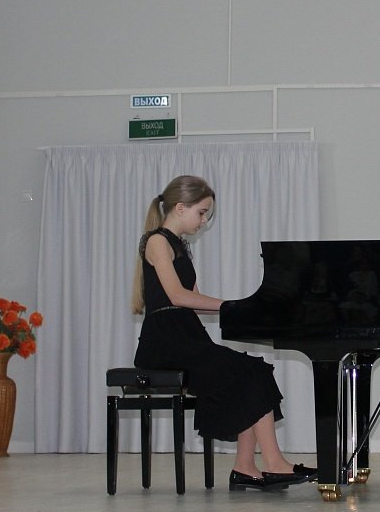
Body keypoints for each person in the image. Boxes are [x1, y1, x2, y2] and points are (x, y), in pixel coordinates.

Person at [131, 175, 311, 492]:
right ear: (180, 207)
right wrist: (232, 305)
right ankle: (273, 464)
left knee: (253, 371)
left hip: (185, 335)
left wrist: (244, 308)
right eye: (202, 212)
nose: (203, 221)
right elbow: (177, 296)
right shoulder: (157, 241)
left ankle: (246, 467)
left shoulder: (180, 246)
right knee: (249, 371)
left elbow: (193, 299)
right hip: (164, 341)